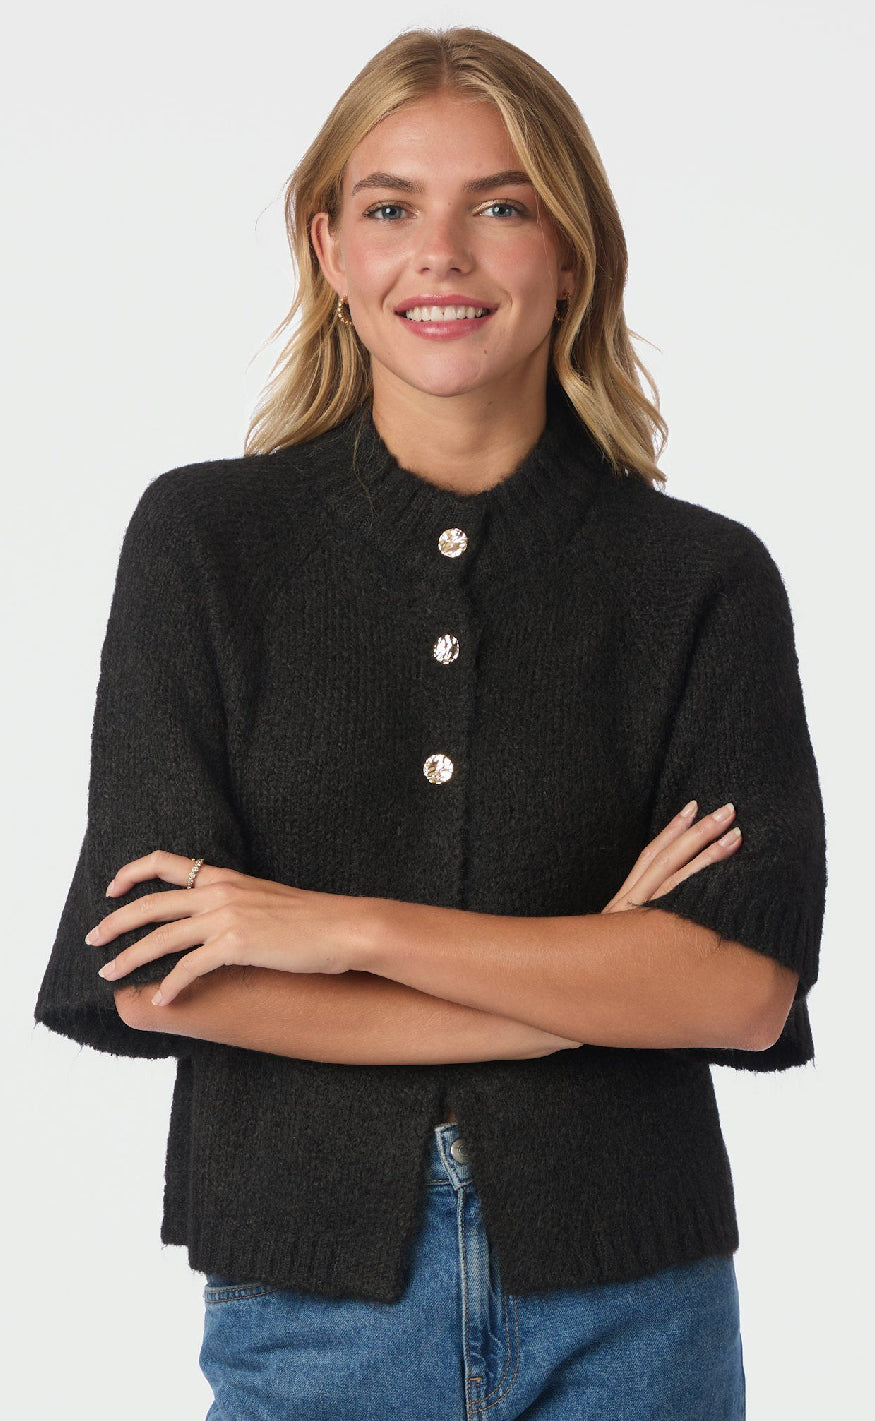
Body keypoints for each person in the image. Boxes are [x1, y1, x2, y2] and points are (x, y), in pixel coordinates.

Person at [34, 25, 826, 1421]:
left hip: (635, 1310)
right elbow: (154, 973)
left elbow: (740, 991)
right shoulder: (206, 542)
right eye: (392, 208)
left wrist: (340, 928)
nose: (441, 254)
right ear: (331, 250)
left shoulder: (700, 578)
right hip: (312, 1311)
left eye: (501, 207)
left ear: (571, 254)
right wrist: (574, 997)